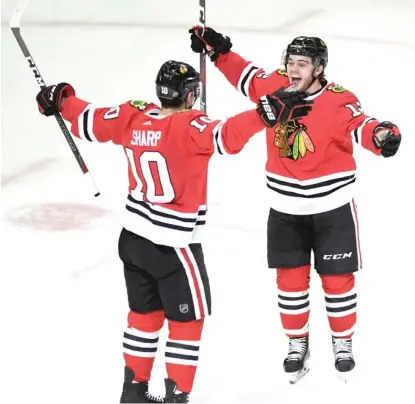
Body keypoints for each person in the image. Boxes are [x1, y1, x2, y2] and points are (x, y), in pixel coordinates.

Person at [35, 60, 313, 401]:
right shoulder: (191, 125)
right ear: (189, 94)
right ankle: (176, 397)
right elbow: (226, 136)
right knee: (187, 323)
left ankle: (133, 391)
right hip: (174, 247)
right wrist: (263, 115)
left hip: (133, 240)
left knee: (143, 315)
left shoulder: (134, 115)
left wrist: (59, 98)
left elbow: (89, 120)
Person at [188, 27, 402, 383]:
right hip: (285, 209)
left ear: (319, 68)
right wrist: (218, 50)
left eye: (302, 63)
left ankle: (342, 342)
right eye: (290, 62)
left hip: (333, 209)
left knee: (337, 281)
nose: (293, 70)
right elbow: (244, 75)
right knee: (289, 283)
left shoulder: (339, 99)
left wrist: (381, 135)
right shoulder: (274, 87)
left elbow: (361, 125)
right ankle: (296, 343)